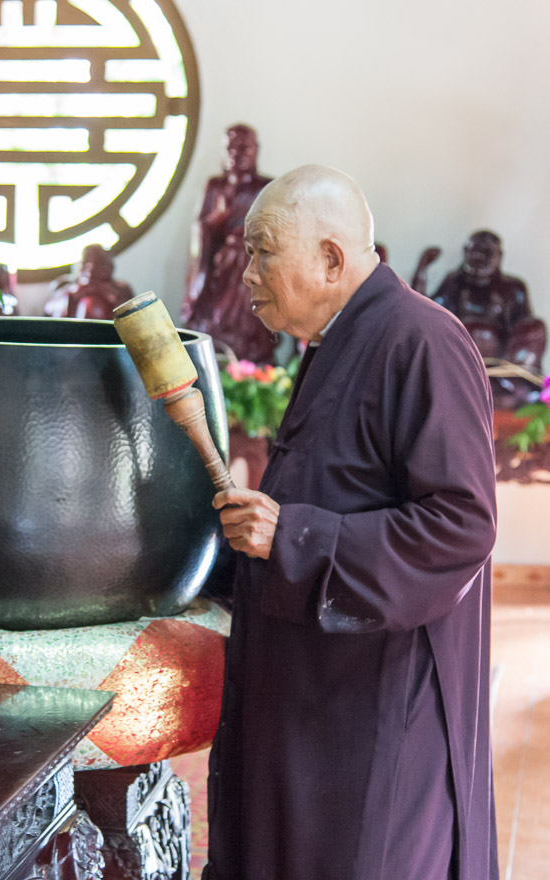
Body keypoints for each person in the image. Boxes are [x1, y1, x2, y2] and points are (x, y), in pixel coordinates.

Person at [204, 166, 498, 880]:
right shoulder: (337, 342)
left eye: (262, 251)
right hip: (311, 702)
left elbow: (462, 526)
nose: (245, 274)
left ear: (331, 259)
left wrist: (295, 538)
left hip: (375, 712)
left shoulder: (420, 340)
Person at [180, 124, 275, 363]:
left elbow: (277, 229)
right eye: (231, 148)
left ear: (255, 151)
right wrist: (216, 220)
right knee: (215, 322)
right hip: (220, 271)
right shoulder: (215, 186)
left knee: (252, 319)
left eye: (244, 148)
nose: (237, 154)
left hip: (252, 268)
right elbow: (199, 231)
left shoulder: (265, 187)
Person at [419, 230, 546, 406]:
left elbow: (523, 327)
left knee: (536, 327)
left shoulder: (513, 287)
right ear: (466, 252)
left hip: (502, 361)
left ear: (499, 255)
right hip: (459, 356)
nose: (480, 258)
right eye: (475, 252)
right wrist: (422, 270)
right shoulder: (454, 282)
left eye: (487, 253)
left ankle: (506, 382)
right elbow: (426, 312)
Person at [42, 244, 134, 319]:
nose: (91, 268)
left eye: (99, 263)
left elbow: (132, 319)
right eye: (86, 262)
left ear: (110, 267)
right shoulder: (64, 285)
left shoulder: (121, 289)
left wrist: (112, 297)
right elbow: (49, 315)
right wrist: (72, 296)